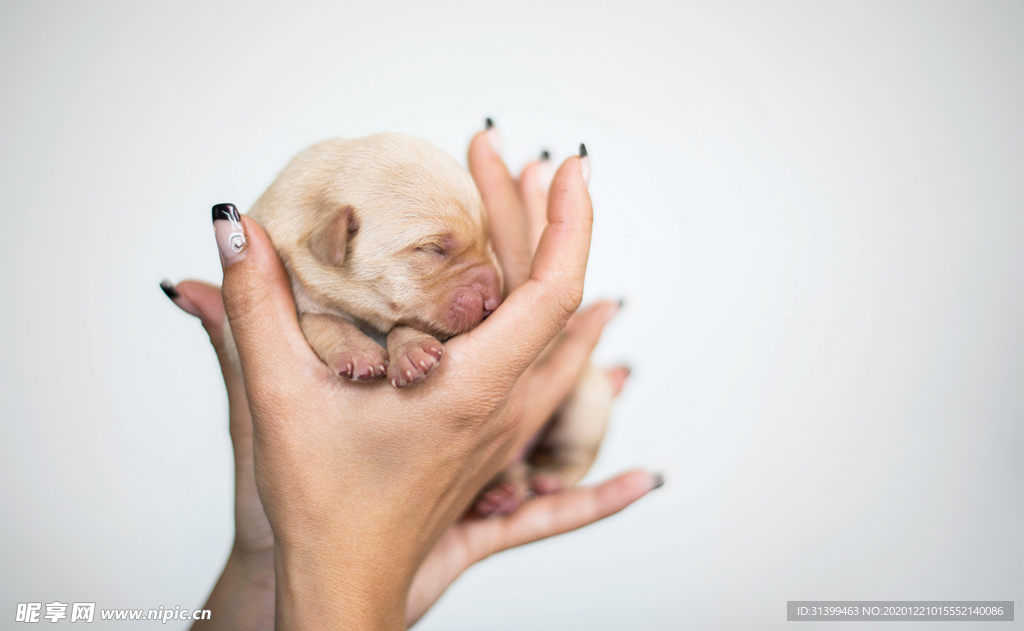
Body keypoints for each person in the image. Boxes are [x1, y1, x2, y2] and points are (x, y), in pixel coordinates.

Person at [162, 124, 662, 630]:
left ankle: (549, 467)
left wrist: (274, 570)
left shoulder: (368, 247)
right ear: (336, 238)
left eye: (482, 248)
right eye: (436, 252)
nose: (490, 292)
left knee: (585, 396)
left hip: (504, 442)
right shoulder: (308, 241)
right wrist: (326, 570)